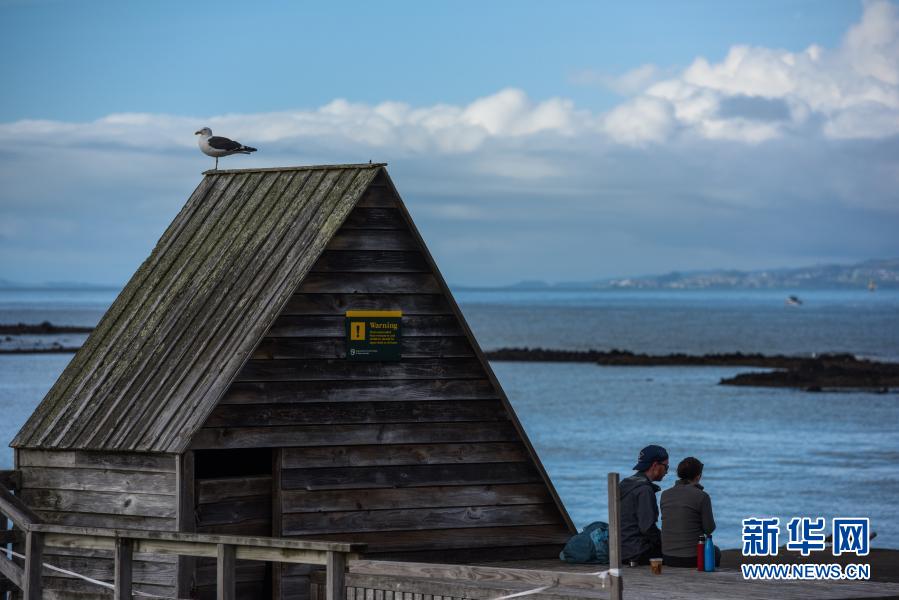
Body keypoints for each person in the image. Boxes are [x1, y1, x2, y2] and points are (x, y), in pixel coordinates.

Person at [660, 456, 720, 568]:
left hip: (668, 557)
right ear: (698, 476)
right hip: (693, 558)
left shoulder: (665, 495)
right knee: (715, 552)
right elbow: (709, 529)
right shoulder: (702, 496)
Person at [619, 444, 669, 565]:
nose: (667, 472)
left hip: (620, 550)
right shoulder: (644, 490)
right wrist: (666, 542)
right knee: (677, 553)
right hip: (637, 552)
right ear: (655, 465)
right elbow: (647, 528)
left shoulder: (625, 484)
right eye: (666, 467)